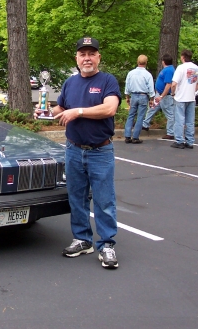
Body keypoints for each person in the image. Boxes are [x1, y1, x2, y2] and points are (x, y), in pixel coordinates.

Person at [47, 36, 121, 269]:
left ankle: (107, 245)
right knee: (76, 198)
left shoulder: (108, 81)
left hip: (100, 151)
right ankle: (82, 239)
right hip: (73, 150)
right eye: (82, 54)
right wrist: (51, 111)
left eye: (91, 53)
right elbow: (61, 107)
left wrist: (77, 111)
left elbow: (109, 108)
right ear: (77, 58)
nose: (87, 58)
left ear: (99, 57)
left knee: (103, 200)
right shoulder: (70, 83)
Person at [170, 49, 198, 149]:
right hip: (191, 97)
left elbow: (174, 83)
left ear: (183, 57)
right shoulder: (196, 68)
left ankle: (179, 141)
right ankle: (190, 141)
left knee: (179, 120)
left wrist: (173, 93)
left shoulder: (181, 68)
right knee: (190, 120)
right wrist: (194, 91)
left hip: (180, 97)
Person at [142, 54, 175, 139]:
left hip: (164, 96)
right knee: (152, 108)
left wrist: (161, 96)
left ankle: (170, 133)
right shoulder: (167, 69)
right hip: (159, 94)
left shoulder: (169, 70)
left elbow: (168, 84)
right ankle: (145, 124)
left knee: (169, 114)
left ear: (163, 62)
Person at [123, 55, 155, 144]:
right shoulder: (148, 74)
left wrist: (127, 97)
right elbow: (151, 88)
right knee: (140, 116)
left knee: (131, 115)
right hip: (143, 96)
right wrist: (152, 99)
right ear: (146, 63)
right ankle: (135, 137)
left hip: (133, 95)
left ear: (137, 62)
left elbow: (127, 86)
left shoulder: (131, 73)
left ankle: (127, 135)